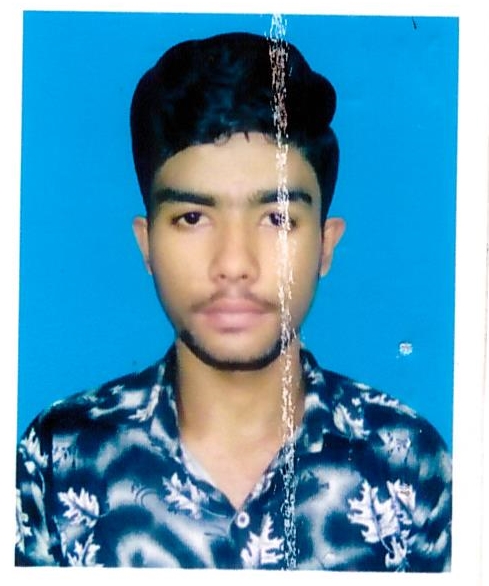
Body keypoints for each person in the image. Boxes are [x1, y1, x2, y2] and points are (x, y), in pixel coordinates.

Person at [15, 31, 451, 571]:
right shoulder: (59, 458)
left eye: (277, 218)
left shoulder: (409, 462)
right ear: (147, 245)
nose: (234, 263)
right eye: (192, 217)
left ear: (325, 245)